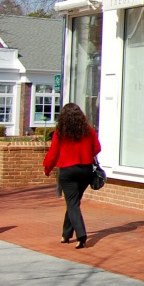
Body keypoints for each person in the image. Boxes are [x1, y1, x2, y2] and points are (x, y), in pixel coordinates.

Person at [43, 103, 101, 249]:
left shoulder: (60, 132)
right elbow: (97, 148)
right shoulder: (89, 130)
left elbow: (53, 153)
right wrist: (87, 155)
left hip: (67, 171)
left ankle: (81, 235)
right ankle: (66, 234)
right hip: (85, 170)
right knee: (74, 202)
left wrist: (47, 168)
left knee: (72, 203)